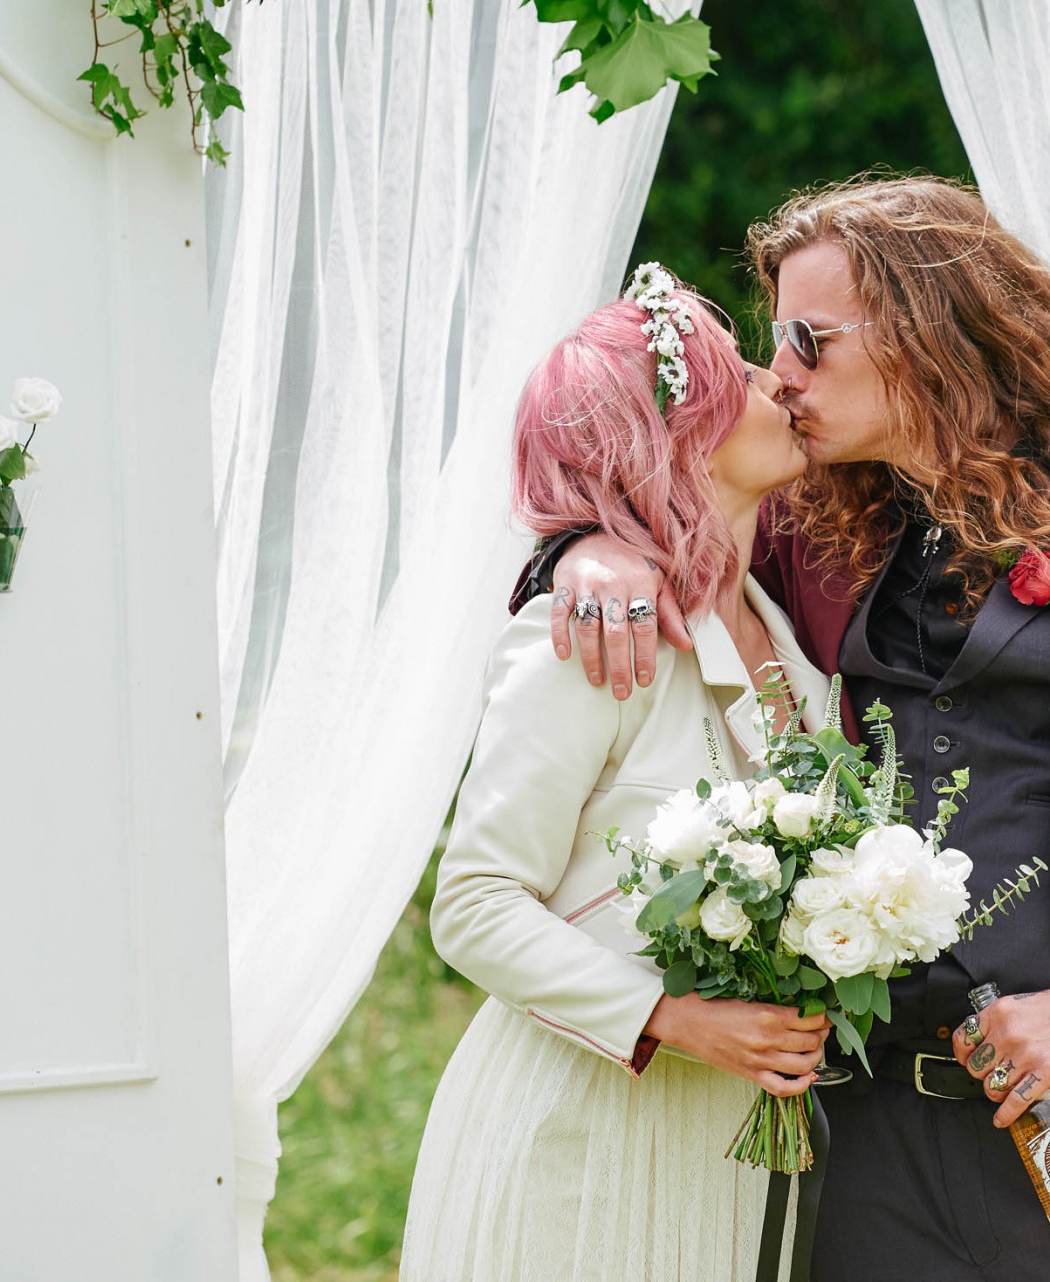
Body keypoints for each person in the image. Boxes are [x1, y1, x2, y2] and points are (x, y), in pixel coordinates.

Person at [529, 177, 1050, 1282]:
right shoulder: (807, 527)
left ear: (932, 329)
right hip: (862, 1140)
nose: (777, 376)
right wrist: (588, 553)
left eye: (807, 340)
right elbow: (670, 514)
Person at [400, 265, 833, 1280]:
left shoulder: (784, 623)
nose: (780, 385)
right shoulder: (587, 642)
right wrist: (671, 1019)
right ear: (677, 439)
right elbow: (473, 902)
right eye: (742, 380)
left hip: (731, 1147)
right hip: (587, 1133)